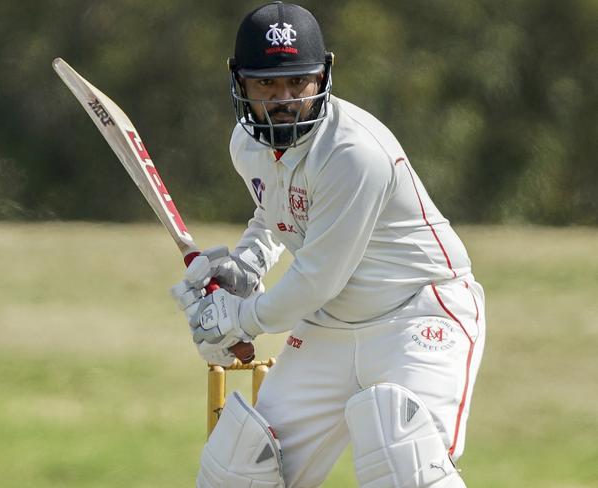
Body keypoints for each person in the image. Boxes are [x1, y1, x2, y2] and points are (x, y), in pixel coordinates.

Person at [171, 2, 485, 487]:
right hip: (330, 325)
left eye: (298, 82)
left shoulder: (353, 154)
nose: (284, 98)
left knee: (405, 467)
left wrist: (238, 318)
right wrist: (248, 263)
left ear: (323, 76)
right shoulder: (246, 144)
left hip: (416, 316)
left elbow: (317, 277)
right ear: (240, 84)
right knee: (239, 472)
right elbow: (275, 211)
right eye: (266, 85)